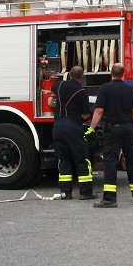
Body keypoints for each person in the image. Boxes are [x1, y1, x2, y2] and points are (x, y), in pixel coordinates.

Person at [87, 63, 133, 208]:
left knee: (110, 162)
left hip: (113, 129)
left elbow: (99, 111)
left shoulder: (105, 88)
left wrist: (91, 128)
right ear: (123, 74)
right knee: (132, 161)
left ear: (111, 73)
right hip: (128, 128)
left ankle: (109, 199)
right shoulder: (130, 89)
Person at [52, 65, 95, 200]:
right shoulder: (81, 92)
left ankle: (66, 193)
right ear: (81, 77)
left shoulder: (59, 85)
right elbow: (84, 116)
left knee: (64, 160)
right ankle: (85, 193)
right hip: (73, 127)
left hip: (58, 126)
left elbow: (52, 90)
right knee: (82, 159)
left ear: (69, 75)